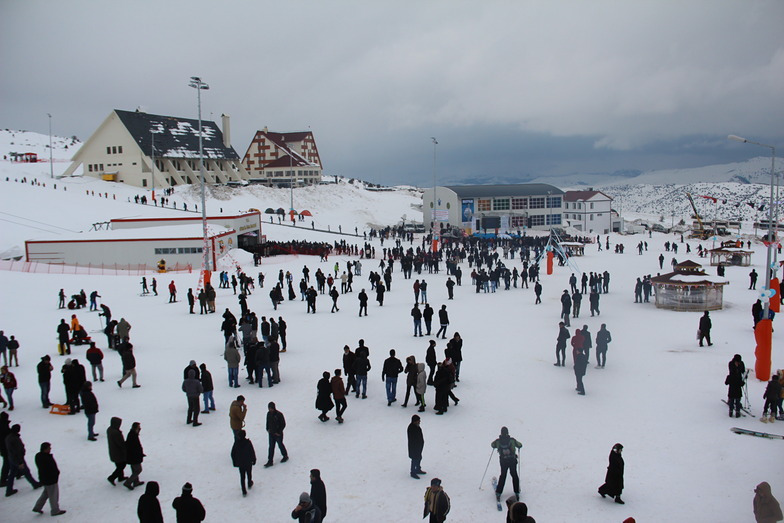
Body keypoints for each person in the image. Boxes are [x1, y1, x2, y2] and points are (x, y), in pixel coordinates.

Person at [4, 424, 40, 496]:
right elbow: (17, 451)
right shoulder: (15, 439)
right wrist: (20, 461)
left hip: (11, 458)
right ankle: (34, 484)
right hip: (18, 459)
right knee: (26, 472)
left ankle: (9, 489)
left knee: (12, 474)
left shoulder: (8, 437)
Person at [32, 442, 66, 516]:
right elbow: (51, 469)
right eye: (49, 448)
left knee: (46, 493)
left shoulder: (38, 456)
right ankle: (55, 510)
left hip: (44, 479)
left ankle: (37, 507)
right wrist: (56, 474)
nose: (50, 449)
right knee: (53, 495)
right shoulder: (47, 458)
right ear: (45, 449)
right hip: (51, 480)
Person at [491, 426, 523, 502]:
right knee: (514, 475)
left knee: (503, 475)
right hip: (512, 460)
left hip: (503, 461)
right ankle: (516, 492)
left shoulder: (498, 441)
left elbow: (492, 445)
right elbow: (520, 445)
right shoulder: (512, 440)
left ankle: (498, 492)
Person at [231, 430, 256, 496]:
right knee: (249, 473)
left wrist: (235, 462)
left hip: (241, 463)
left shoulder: (236, 443)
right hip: (248, 461)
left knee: (242, 477)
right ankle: (249, 483)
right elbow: (252, 451)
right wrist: (254, 459)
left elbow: (233, 453)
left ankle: (243, 490)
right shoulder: (248, 442)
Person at [265, 401, 288, 467]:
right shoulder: (268, 414)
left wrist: (278, 432)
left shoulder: (279, 414)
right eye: (269, 408)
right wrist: (267, 429)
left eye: (271, 408)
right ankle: (270, 460)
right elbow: (267, 422)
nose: (270, 410)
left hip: (278, 434)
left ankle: (285, 455)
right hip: (271, 433)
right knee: (271, 447)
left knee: (280, 445)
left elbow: (283, 424)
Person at [106, 416, 127, 486]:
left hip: (113, 451)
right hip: (118, 453)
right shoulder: (116, 433)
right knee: (121, 465)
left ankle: (121, 477)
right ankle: (112, 477)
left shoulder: (110, 430)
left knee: (119, 465)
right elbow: (121, 443)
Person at [124, 422, 145, 490]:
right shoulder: (133, 436)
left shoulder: (132, 434)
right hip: (134, 457)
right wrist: (140, 454)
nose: (140, 428)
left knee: (134, 469)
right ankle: (128, 482)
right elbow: (135, 447)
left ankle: (136, 482)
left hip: (131, 456)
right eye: (139, 427)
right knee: (138, 470)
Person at [407, 414, 426, 479]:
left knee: (419, 458)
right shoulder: (412, 428)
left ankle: (418, 469)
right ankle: (413, 472)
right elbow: (413, 439)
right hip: (414, 448)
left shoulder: (416, 427)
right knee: (414, 459)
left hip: (418, 447)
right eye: (418, 420)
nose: (419, 422)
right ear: (414, 421)